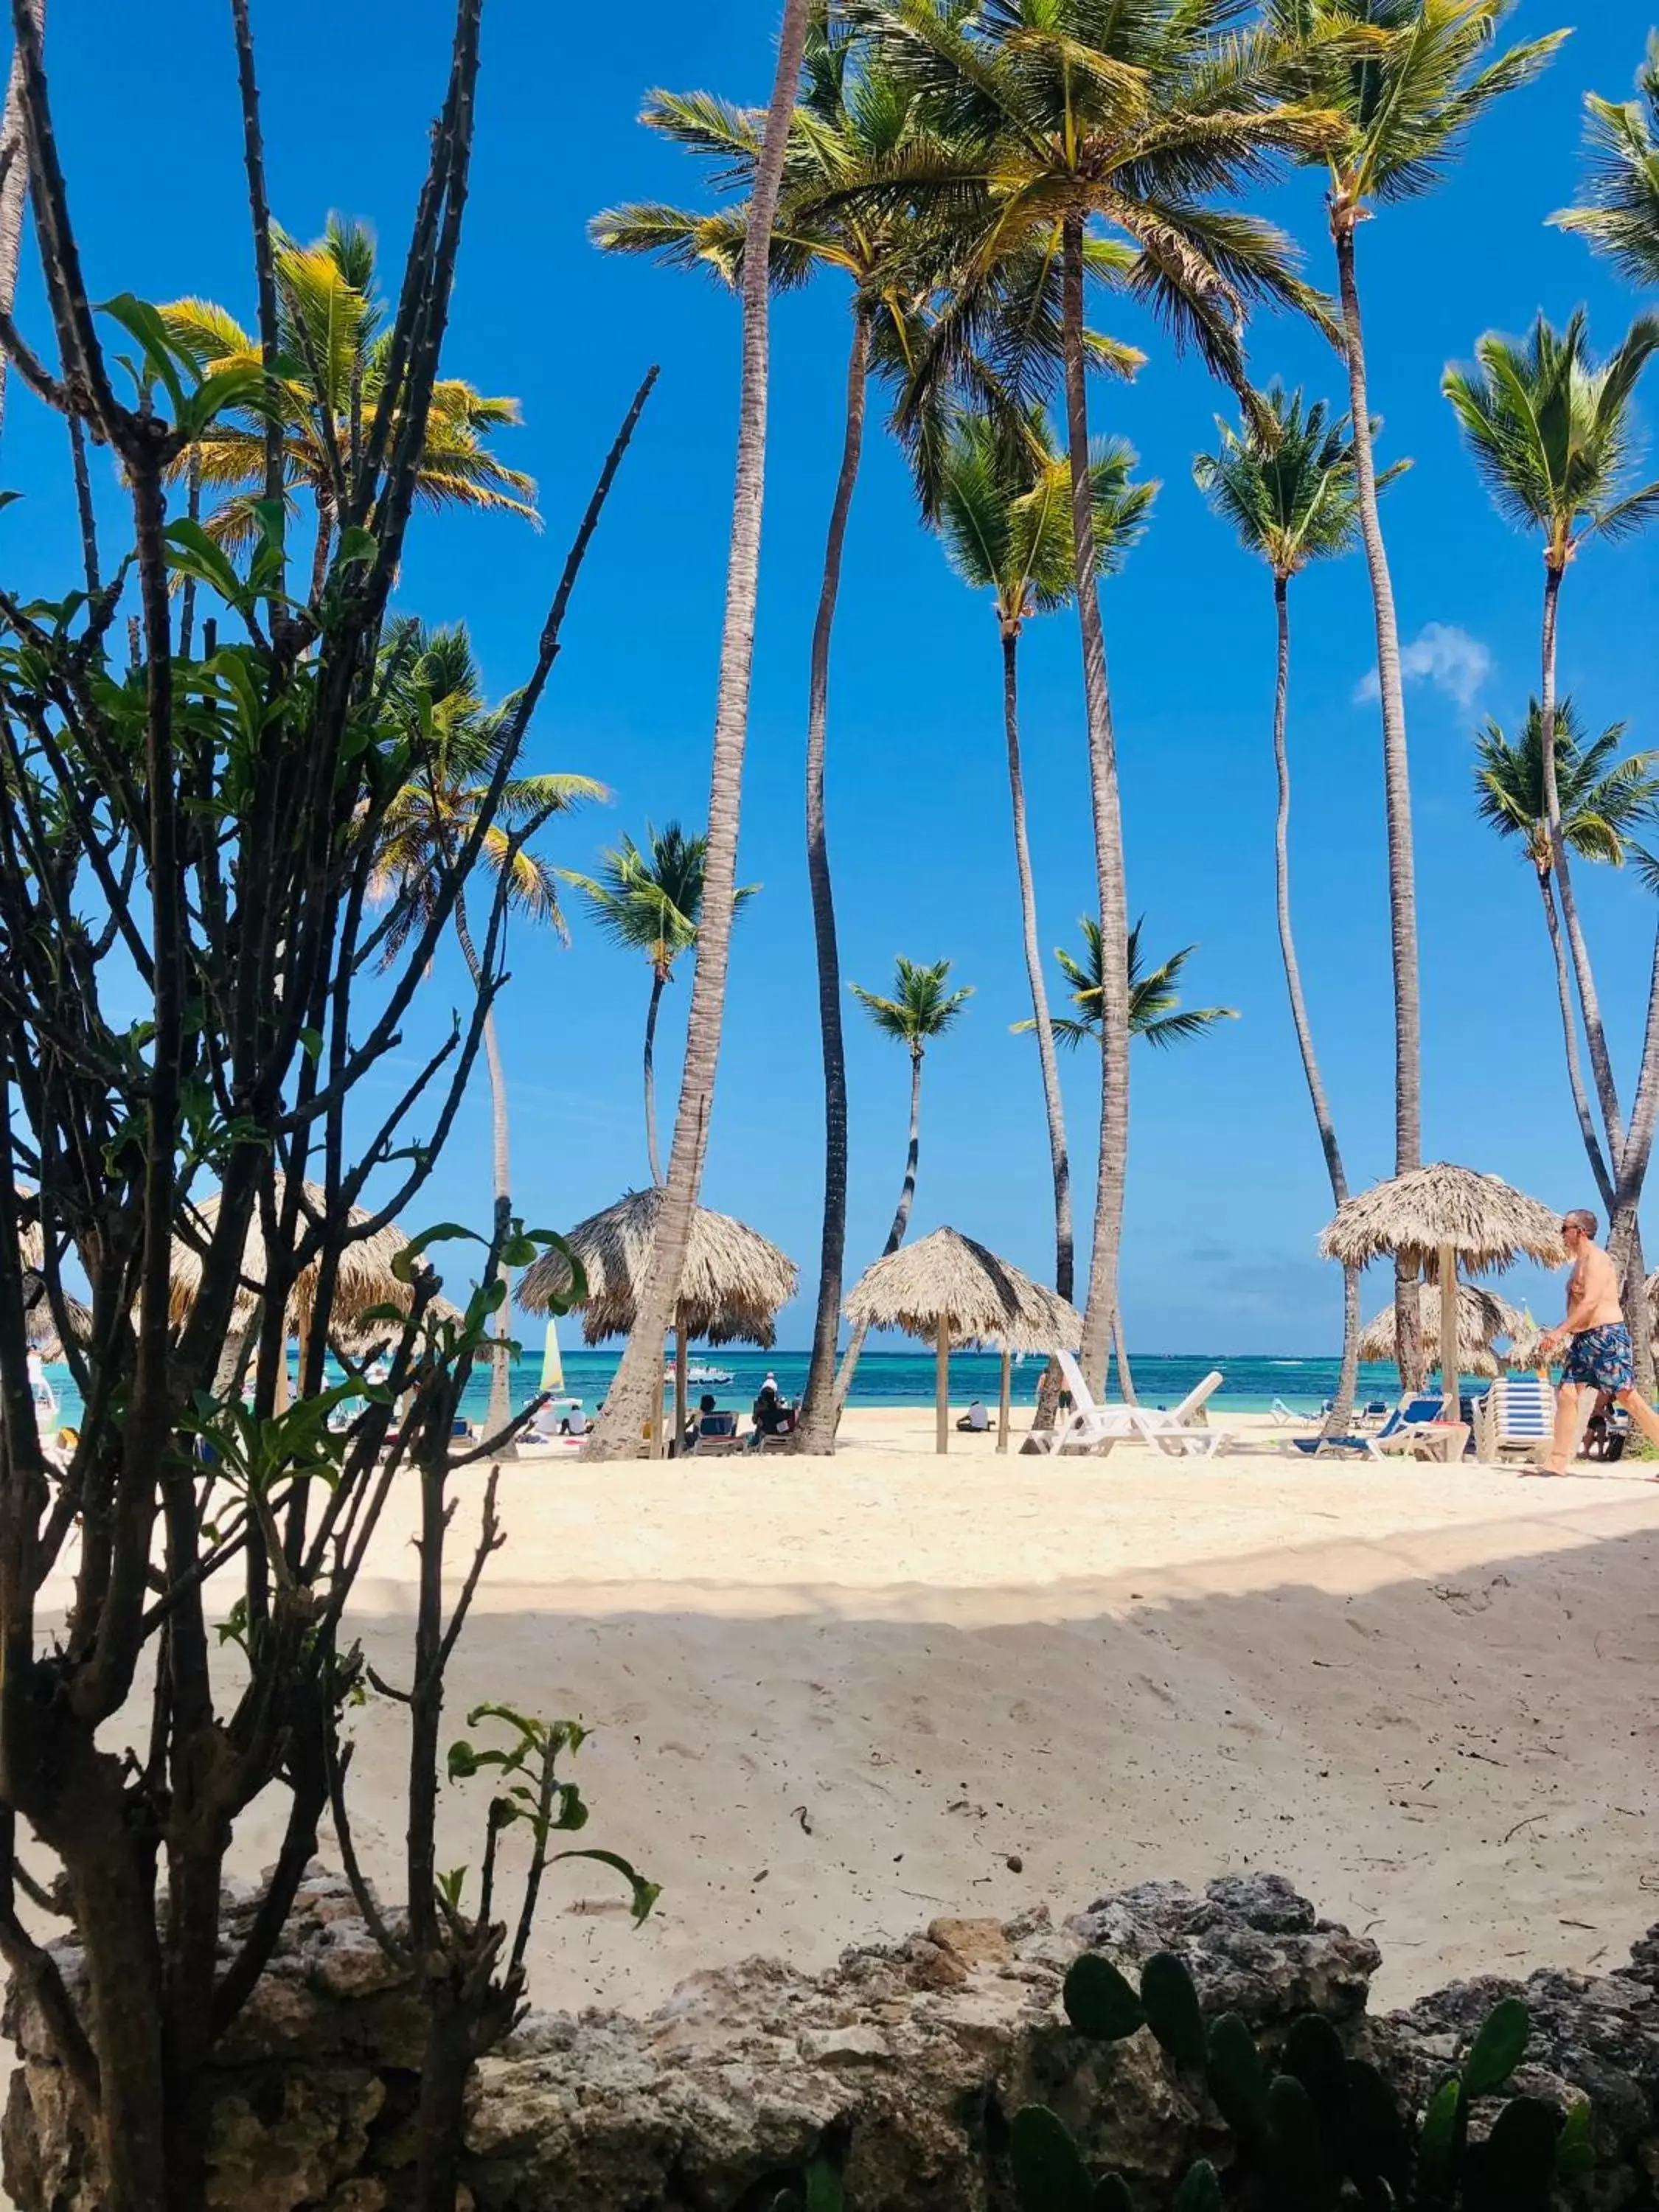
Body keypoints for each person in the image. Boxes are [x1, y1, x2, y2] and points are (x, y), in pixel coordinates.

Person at [1531, 1208, 1659, 1477]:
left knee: (1628, 1398)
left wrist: (1559, 1332)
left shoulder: (1598, 1260)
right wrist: (1571, 1331)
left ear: (1581, 1231)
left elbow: (1590, 1302)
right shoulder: (1579, 1261)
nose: (1562, 1234)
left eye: (1565, 1228)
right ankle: (1557, 1462)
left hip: (1606, 1337)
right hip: (1584, 1339)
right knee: (1567, 1394)